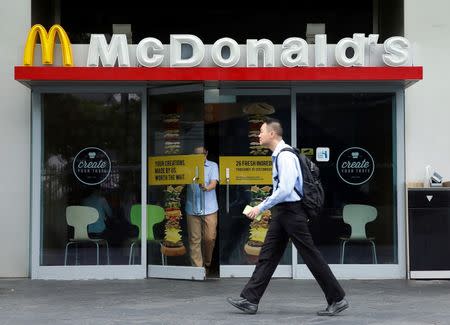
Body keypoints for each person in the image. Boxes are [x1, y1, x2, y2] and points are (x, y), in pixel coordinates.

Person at [227, 117, 348, 316]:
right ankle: (250, 300)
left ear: (272, 134)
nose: (258, 135)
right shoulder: (278, 155)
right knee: (268, 255)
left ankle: (337, 298)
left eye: (261, 131)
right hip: (283, 213)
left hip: (292, 212)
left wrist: (260, 207)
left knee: (310, 255)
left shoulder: (285, 156)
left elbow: (285, 189)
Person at [185, 146, 219, 274]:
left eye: (202, 154)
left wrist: (206, 187)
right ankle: (198, 270)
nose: (200, 157)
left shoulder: (212, 166)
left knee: (209, 238)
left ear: (207, 153)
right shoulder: (188, 166)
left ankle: (207, 263)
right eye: (197, 155)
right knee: (194, 239)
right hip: (192, 207)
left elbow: (213, 183)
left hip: (210, 208)